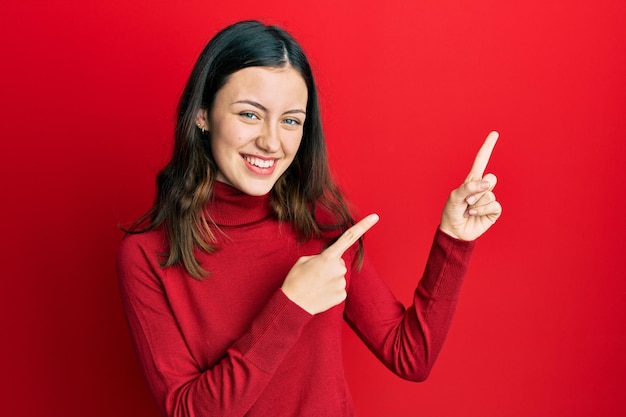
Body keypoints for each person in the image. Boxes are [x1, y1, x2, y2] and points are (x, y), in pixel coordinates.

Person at [116, 20, 502, 417]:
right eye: (250, 114)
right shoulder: (147, 254)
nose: (271, 141)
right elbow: (189, 411)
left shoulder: (323, 221)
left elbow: (411, 356)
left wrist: (454, 240)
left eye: (290, 121)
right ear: (202, 114)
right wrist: (292, 304)